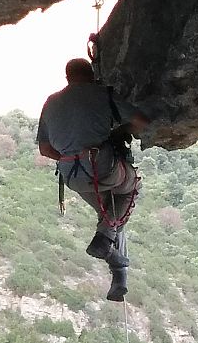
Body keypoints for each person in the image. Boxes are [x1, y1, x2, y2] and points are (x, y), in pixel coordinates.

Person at [36, 58, 151, 301]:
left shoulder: (50, 102)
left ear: (67, 78)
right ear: (92, 75)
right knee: (131, 187)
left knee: (109, 215)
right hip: (103, 168)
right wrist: (121, 131)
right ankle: (106, 241)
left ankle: (118, 273)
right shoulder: (103, 94)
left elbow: (45, 149)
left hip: (72, 176)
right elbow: (141, 121)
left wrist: (70, 155)